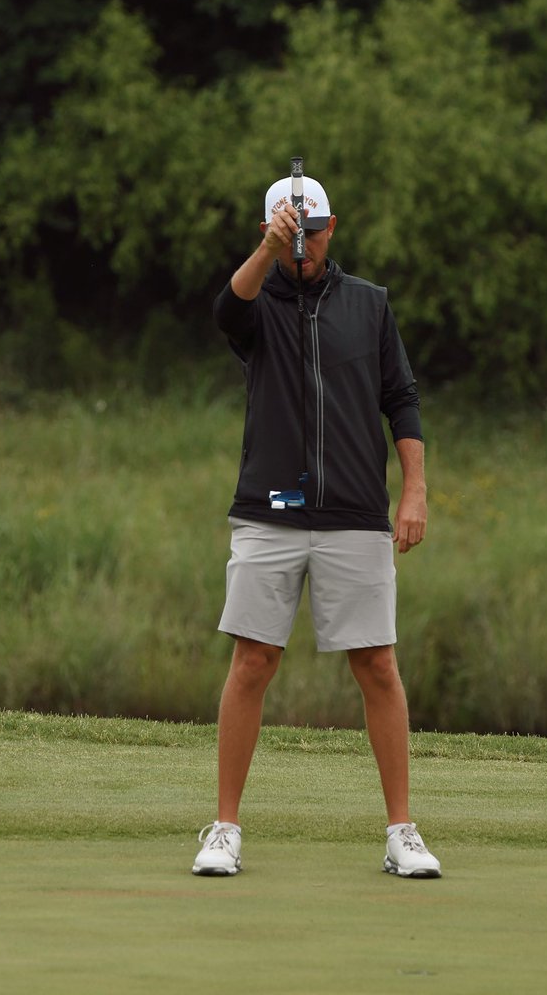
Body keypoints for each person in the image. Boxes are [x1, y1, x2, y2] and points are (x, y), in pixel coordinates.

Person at [192, 172, 441, 880]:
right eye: (295, 233)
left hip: (356, 512)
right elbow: (224, 311)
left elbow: (403, 399)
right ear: (274, 231)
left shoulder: (369, 305)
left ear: (334, 229)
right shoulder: (258, 298)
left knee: (379, 666)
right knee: (253, 661)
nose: (308, 244)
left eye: (316, 231)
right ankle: (224, 829)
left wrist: (414, 492)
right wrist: (268, 252)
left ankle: (401, 832)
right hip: (271, 511)